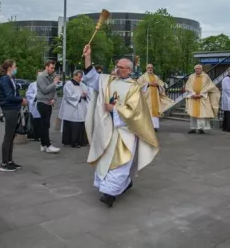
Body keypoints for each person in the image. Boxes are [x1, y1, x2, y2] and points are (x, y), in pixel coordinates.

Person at [83, 44, 159, 208]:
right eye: (117, 66)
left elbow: (135, 112)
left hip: (125, 132)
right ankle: (122, 185)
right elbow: (93, 79)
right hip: (108, 130)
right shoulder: (109, 81)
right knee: (106, 161)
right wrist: (87, 57)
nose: (117, 70)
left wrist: (115, 109)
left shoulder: (134, 88)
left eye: (121, 68)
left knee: (120, 163)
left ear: (129, 70)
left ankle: (110, 194)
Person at [0, 59, 27, 172]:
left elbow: (14, 93)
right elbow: (9, 96)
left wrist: (20, 100)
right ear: (9, 68)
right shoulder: (5, 80)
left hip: (14, 109)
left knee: (11, 136)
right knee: (8, 137)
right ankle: (4, 163)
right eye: (15, 66)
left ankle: (9, 161)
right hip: (9, 109)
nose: (16, 68)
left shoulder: (11, 79)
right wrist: (21, 100)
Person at [137, 64, 174, 131]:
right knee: (148, 112)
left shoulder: (156, 77)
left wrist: (158, 85)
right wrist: (148, 84)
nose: (150, 69)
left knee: (155, 112)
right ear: (146, 68)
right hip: (147, 98)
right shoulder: (142, 77)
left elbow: (161, 84)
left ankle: (154, 127)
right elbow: (138, 86)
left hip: (155, 97)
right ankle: (148, 127)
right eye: (149, 67)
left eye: (151, 67)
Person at [185, 64, 220, 134]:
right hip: (193, 98)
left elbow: (210, 86)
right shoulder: (191, 76)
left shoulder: (206, 77)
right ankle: (193, 128)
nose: (197, 70)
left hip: (202, 98)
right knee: (192, 114)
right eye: (196, 68)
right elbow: (188, 86)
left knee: (202, 114)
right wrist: (193, 94)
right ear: (194, 69)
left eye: (199, 68)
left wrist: (201, 94)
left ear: (201, 69)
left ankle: (200, 128)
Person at [59, 70, 90, 148]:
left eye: (81, 77)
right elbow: (68, 96)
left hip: (81, 107)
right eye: (79, 77)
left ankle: (82, 141)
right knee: (73, 125)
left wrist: (85, 95)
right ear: (74, 76)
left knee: (81, 124)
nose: (80, 79)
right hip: (72, 108)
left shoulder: (82, 84)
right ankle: (73, 142)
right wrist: (80, 95)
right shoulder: (68, 84)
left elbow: (88, 93)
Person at [36, 61, 60, 153]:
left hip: (49, 102)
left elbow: (54, 90)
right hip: (42, 102)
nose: (53, 70)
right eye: (52, 68)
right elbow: (45, 90)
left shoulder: (51, 76)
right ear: (46, 67)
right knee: (45, 124)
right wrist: (54, 83)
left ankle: (43, 144)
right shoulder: (41, 76)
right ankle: (48, 145)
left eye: (54, 68)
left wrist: (54, 99)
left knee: (45, 125)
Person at [26, 70, 42, 141]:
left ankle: (42, 135)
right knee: (34, 121)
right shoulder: (32, 85)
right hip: (34, 106)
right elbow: (28, 94)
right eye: (39, 76)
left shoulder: (46, 84)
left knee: (42, 121)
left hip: (43, 106)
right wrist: (35, 96)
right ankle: (34, 136)